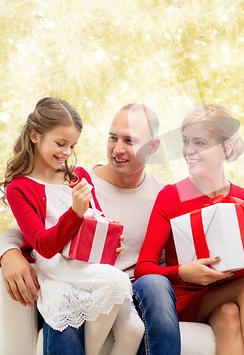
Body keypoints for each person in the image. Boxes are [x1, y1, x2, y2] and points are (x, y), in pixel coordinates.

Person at [0, 103, 181, 355]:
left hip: (118, 281)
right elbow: (26, 232)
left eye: (129, 140)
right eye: (113, 138)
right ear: (35, 136)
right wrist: (7, 253)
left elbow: (98, 220)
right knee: (70, 307)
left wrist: (111, 238)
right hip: (67, 273)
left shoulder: (164, 195)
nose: (117, 149)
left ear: (153, 147)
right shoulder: (79, 179)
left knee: (140, 313)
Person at [134, 104, 244, 355]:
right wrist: (183, 273)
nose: (189, 151)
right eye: (186, 142)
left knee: (229, 314)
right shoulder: (172, 195)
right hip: (184, 297)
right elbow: (143, 267)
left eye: (200, 143)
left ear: (226, 148)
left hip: (224, 297)